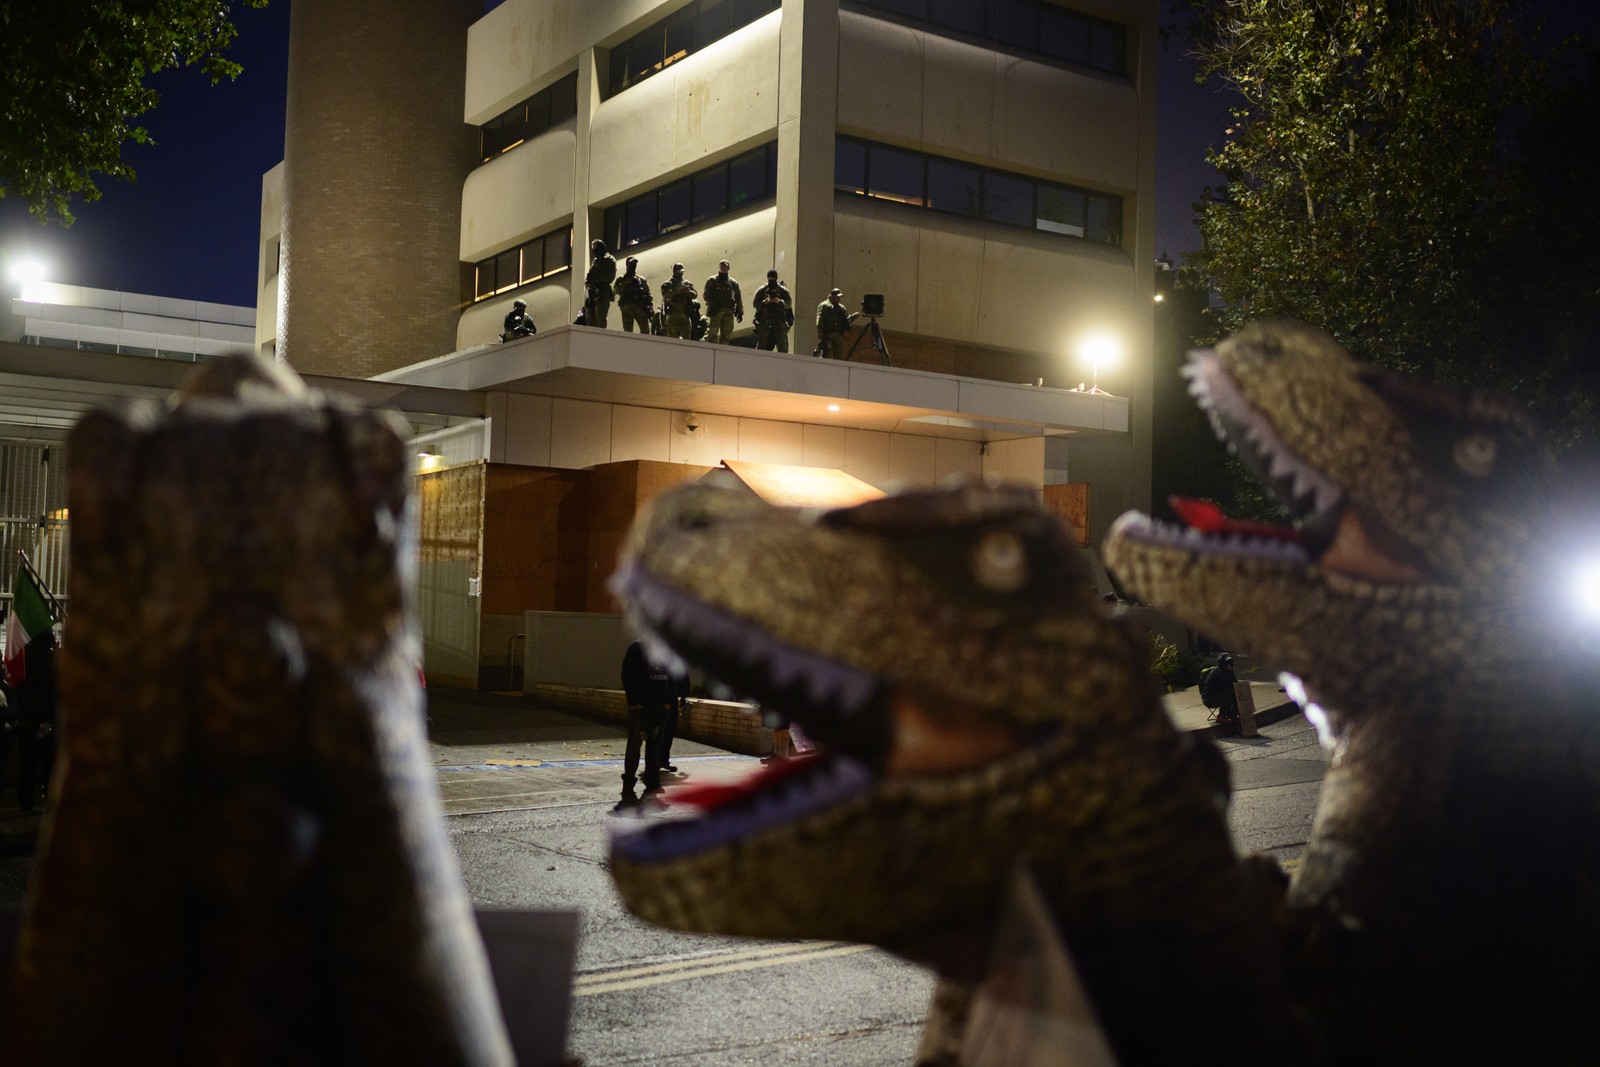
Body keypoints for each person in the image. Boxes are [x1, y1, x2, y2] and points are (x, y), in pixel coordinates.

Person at [617, 639, 686, 809]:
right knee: (635, 745)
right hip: (640, 707)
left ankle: (652, 783)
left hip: (659, 707)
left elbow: (671, 677)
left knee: (655, 745)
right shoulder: (637, 648)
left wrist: (669, 702)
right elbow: (628, 673)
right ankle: (629, 784)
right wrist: (634, 701)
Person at [14, 631, 58, 813]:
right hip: (45, 721)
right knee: (47, 759)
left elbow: (18, 686)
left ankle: (25, 799)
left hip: (26, 719)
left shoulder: (25, 659)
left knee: (28, 762)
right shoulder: (50, 661)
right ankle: (49, 795)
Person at [702, 260, 743, 344]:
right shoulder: (712, 280)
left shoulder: (733, 283)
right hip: (715, 311)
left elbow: (738, 298)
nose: (723, 268)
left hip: (728, 311)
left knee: (726, 334)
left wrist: (740, 311)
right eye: (722, 266)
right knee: (712, 334)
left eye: (725, 266)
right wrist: (711, 303)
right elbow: (706, 295)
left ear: (728, 268)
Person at [751, 269, 793, 352]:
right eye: (770, 279)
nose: (771, 281)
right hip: (765, 318)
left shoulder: (783, 290)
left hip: (779, 318)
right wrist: (764, 302)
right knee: (761, 344)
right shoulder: (762, 290)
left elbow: (789, 303)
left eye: (773, 279)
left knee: (782, 345)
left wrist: (779, 301)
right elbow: (755, 304)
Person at [613, 256, 654, 333]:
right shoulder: (621, 278)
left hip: (640, 306)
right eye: (631, 264)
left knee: (645, 330)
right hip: (627, 307)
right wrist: (626, 283)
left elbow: (648, 295)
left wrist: (650, 308)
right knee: (628, 331)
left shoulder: (641, 279)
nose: (633, 266)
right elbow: (615, 291)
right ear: (627, 265)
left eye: (634, 264)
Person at [814, 288, 858, 359]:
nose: (839, 298)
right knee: (827, 354)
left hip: (838, 335)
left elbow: (845, 320)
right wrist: (820, 331)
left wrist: (852, 318)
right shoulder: (824, 305)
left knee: (839, 355)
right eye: (837, 297)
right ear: (832, 296)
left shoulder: (841, 307)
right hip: (828, 334)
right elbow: (820, 319)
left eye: (840, 297)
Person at [584, 238, 618, 328]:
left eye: (596, 249)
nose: (594, 252)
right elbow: (590, 275)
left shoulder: (610, 259)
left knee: (600, 318)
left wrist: (595, 279)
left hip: (603, 292)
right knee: (589, 318)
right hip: (591, 292)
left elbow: (610, 276)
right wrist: (588, 282)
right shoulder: (595, 260)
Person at [660, 263, 698, 339]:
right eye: (679, 271)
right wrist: (677, 290)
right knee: (673, 337)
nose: (681, 273)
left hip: (685, 312)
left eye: (682, 271)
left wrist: (687, 292)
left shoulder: (687, 283)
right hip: (673, 312)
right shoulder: (668, 283)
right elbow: (665, 295)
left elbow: (695, 295)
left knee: (687, 337)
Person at [1206, 653, 1241, 733]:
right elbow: (1225, 686)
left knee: (1235, 692)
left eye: (1230, 663)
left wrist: (1231, 672)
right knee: (1230, 692)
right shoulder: (1218, 673)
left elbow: (1236, 684)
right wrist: (1230, 674)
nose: (1229, 665)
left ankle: (1233, 715)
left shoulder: (1228, 672)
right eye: (1227, 663)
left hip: (1219, 695)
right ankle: (1221, 716)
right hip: (1209, 698)